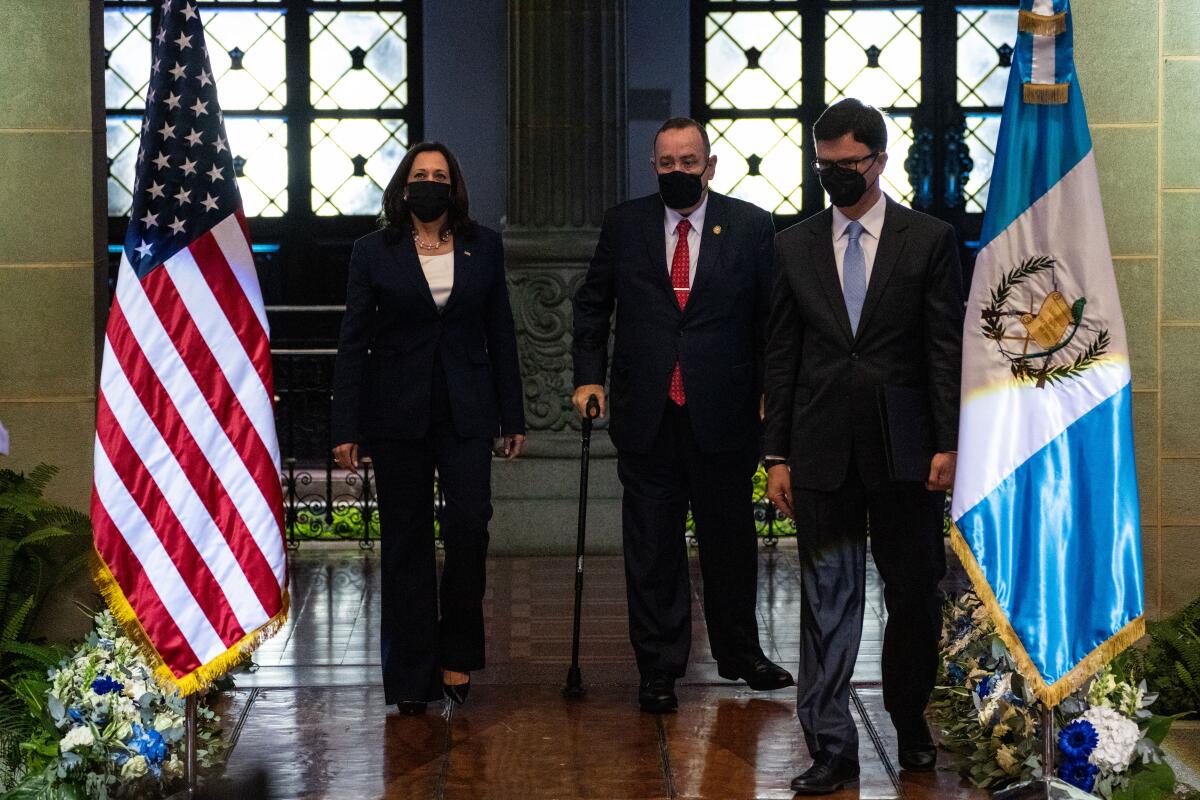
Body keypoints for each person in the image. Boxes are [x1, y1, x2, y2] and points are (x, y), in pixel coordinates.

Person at [762, 98, 963, 794]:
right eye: (825, 166)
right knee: (827, 600)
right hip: (818, 449)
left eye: (848, 165)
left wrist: (949, 442)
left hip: (905, 451)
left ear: (879, 159)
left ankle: (909, 721)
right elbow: (781, 355)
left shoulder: (928, 240)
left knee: (913, 594)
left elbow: (943, 348)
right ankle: (831, 746)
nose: (836, 177)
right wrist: (776, 455)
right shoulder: (793, 244)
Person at [572, 117, 794, 714]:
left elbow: (772, 319)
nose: (678, 172)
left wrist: (773, 391)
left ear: (710, 165)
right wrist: (589, 374)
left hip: (724, 412)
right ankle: (659, 667)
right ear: (653, 166)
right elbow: (593, 304)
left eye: (688, 162)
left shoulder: (749, 225)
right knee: (651, 549)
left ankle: (740, 653)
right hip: (648, 413)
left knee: (730, 542)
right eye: (666, 163)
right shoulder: (626, 224)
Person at [331, 142, 526, 714]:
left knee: (470, 528)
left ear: (454, 186)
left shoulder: (483, 246)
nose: (430, 184)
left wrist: (512, 415)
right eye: (420, 175)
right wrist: (346, 425)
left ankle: (458, 654)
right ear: (403, 186)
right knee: (406, 542)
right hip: (397, 415)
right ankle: (411, 676)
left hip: (467, 412)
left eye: (440, 175)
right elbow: (352, 342)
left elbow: (502, 334)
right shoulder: (373, 252)